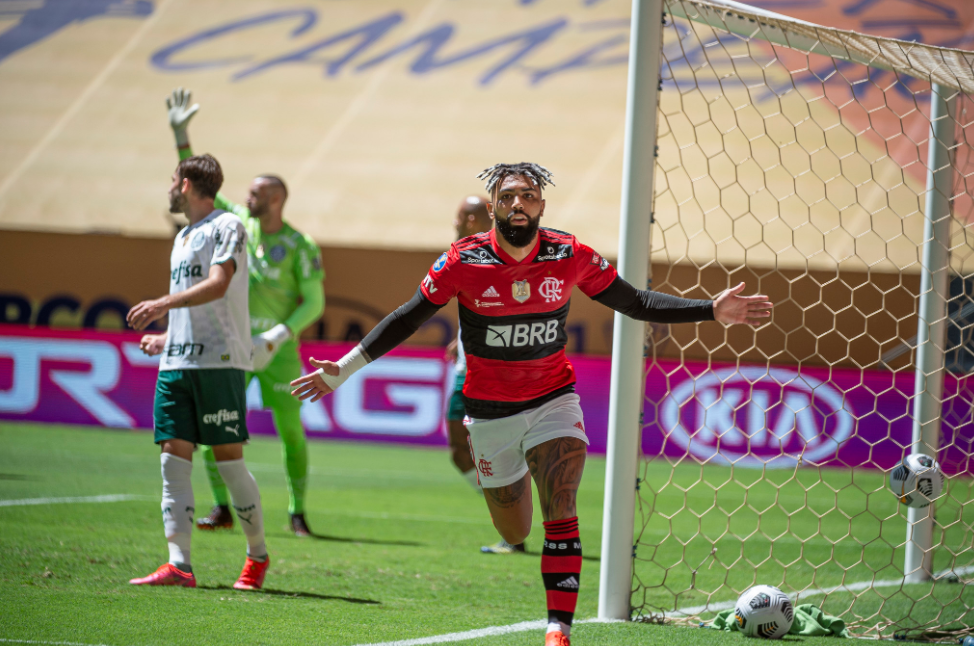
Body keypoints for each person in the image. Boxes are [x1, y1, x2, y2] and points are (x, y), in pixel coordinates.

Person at [290, 162, 772, 645]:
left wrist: (711, 309)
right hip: (490, 413)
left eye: (529, 196)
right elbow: (407, 317)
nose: (518, 204)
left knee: (561, 505)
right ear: (494, 206)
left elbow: (636, 302)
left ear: (542, 205)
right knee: (515, 525)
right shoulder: (462, 260)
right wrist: (344, 368)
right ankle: (514, 475)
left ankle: (557, 629)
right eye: (508, 197)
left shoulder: (569, 253)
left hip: (552, 399)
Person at [165, 88, 325, 537]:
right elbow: (197, 186)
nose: (247, 197)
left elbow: (315, 302)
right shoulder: (236, 222)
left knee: (291, 431)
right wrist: (182, 136)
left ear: (277, 199)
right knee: (219, 429)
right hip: (231, 345)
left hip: (278, 348)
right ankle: (222, 508)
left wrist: (279, 334)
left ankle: (297, 512)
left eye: (257, 193)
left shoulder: (300, 245)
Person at [128, 153, 270, 590]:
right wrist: (168, 336)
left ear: (187, 183)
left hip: (219, 362)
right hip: (178, 363)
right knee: (173, 459)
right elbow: (195, 307)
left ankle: (257, 555)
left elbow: (217, 285)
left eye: (173, 180)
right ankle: (179, 564)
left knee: (229, 464)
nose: (170, 187)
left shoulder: (227, 225)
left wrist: (159, 305)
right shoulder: (184, 235)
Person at [442, 197, 523, 555]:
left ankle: (514, 528)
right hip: (467, 366)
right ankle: (510, 517)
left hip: (488, 371)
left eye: (459, 217)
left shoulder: (501, 255)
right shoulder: (468, 255)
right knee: (460, 452)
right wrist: (458, 338)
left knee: (490, 450)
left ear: (473, 219)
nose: (455, 223)